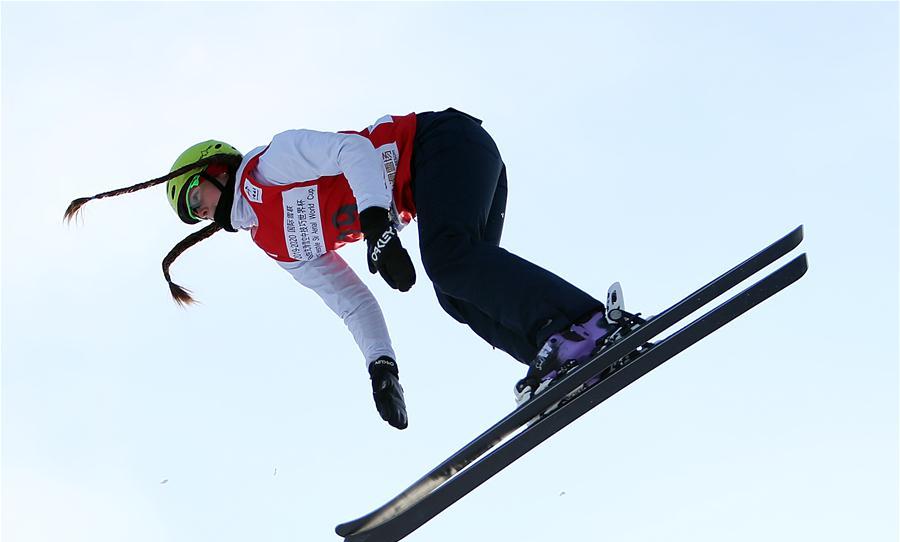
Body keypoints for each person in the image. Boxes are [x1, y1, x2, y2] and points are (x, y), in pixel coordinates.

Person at [65, 108, 617, 431]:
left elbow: (353, 151)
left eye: (192, 197)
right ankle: (563, 354)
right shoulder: (276, 244)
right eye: (188, 215)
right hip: (439, 181)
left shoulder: (269, 164)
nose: (196, 213)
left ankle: (587, 324)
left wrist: (378, 226)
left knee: (448, 258)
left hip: (441, 144)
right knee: (456, 293)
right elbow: (351, 302)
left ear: (214, 168)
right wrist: (383, 367)